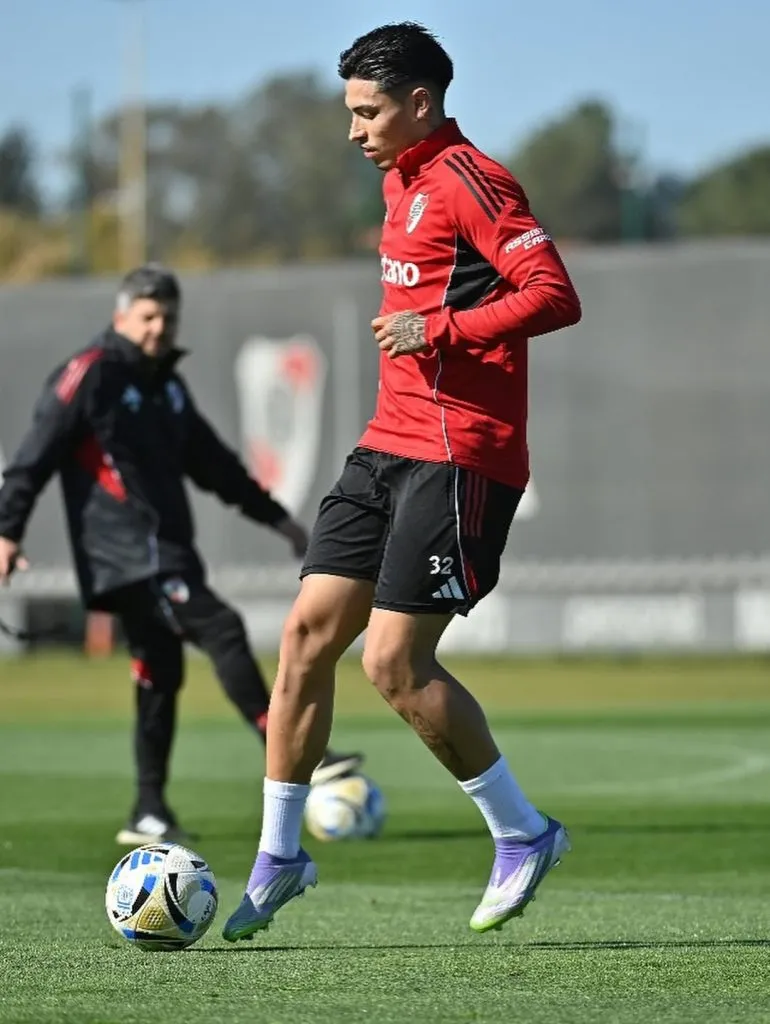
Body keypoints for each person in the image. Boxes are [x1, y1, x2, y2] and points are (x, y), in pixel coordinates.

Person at [222, 21, 583, 941]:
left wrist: (441, 330)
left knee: (391, 662)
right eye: (350, 111)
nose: (354, 130)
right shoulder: (398, 180)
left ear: (421, 104)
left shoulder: (475, 181)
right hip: (386, 445)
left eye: (369, 111)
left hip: (461, 455)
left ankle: (523, 832)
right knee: (305, 637)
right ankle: (279, 856)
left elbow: (555, 294)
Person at [0, 264, 364, 845]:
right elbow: (33, 456)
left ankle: (147, 811)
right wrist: (7, 531)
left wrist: (278, 520)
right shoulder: (90, 374)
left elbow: (215, 465)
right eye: (148, 316)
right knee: (222, 628)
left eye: (168, 317)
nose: (159, 327)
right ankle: (298, 752)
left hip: (165, 552)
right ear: (121, 316)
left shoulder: (165, 385)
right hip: (127, 555)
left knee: (159, 674)